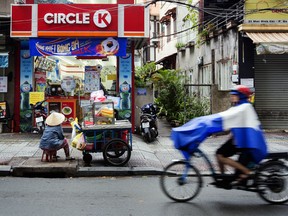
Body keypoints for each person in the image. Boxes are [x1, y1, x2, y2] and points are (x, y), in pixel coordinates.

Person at [216, 85, 263, 183]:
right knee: (219, 153)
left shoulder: (244, 107)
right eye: (232, 95)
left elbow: (226, 118)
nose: (232, 97)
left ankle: (246, 172)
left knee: (221, 156)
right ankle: (223, 176)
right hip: (238, 140)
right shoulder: (239, 106)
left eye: (235, 95)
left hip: (245, 143)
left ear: (241, 96)